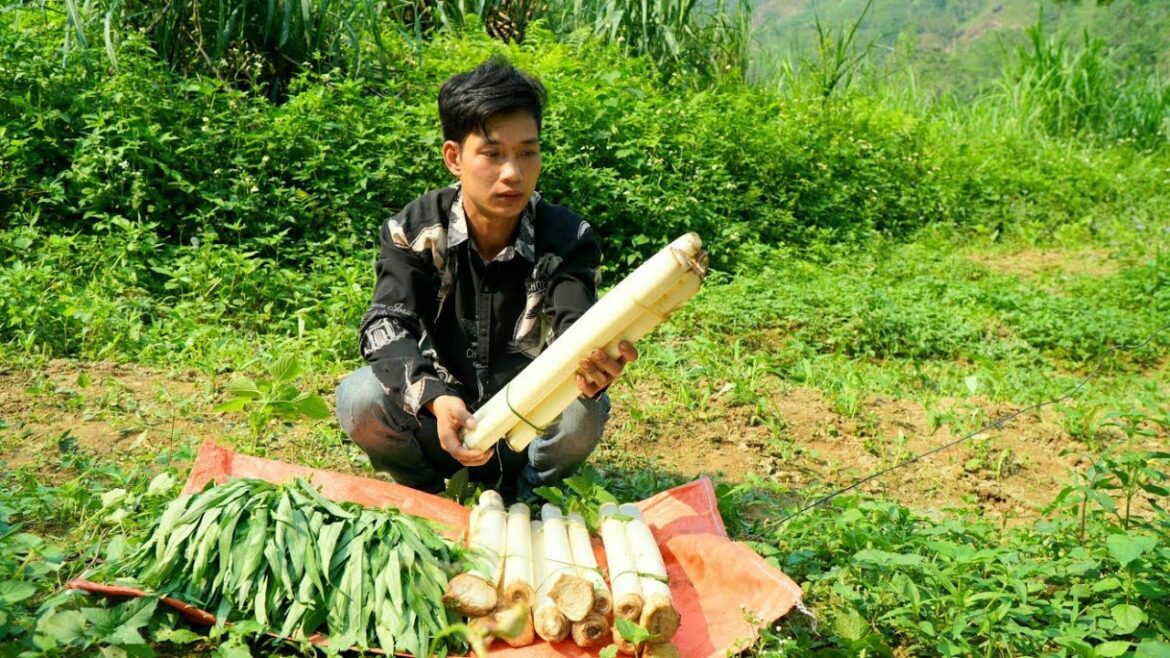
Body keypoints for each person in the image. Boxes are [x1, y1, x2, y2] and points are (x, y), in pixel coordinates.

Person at [335, 56, 638, 500]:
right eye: (492, 154)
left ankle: (531, 499)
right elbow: (386, 325)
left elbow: (577, 329)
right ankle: (428, 496)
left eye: (527, 152)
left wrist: (596, 366)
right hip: (437, 424)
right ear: (454, 157)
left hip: (525, 435)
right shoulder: (415, 231)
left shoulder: (567, 238)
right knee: (360, 397)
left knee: (582, 410)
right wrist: (435, 398)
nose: (513, 172)